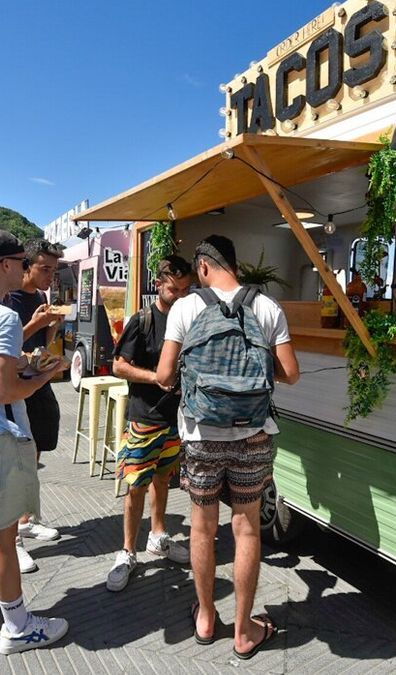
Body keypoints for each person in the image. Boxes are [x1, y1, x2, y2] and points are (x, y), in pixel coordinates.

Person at [156, 235, 301, 659]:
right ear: (234, 265)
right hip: (253, 434)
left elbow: (165, 374)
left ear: (202, 267)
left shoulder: (186, 307)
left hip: (201, 433)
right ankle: (244, 630)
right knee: (247, 528)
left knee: (202, 528)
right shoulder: (267, 307)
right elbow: (291, 373)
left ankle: (205, 617)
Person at [0, 229, 70, 652]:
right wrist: (42, 376)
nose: (25, 268)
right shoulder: (1, 315)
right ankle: (18, 626)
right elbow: (4, 390)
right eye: (22, 262)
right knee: (2, 535)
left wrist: (21, 362)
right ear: (5, 265)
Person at [106, 255, 194, 592]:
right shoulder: (143, 320)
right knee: (136, 485)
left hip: (175, 418)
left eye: (186, 289)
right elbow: (118, 366)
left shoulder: (188, 319)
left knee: (163, 479)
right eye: (175, 289)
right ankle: (127, 550)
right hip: (144, 417)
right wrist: (156, 378)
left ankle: (158, 536)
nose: (180, 295)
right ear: (158, 284)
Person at [3, 238, 65, 572]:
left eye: (54, 270)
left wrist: (53, 328)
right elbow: (4, 347)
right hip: (11, 390)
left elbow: (40, 345)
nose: (50, 277)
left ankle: (25, 520)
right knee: (14, 462)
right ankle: (12, 541)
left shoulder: (40, 298)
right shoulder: (6, 297)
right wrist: (36, 325)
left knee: (34, 454)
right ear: (24, 265)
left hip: (36, 382)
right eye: (45, 269)